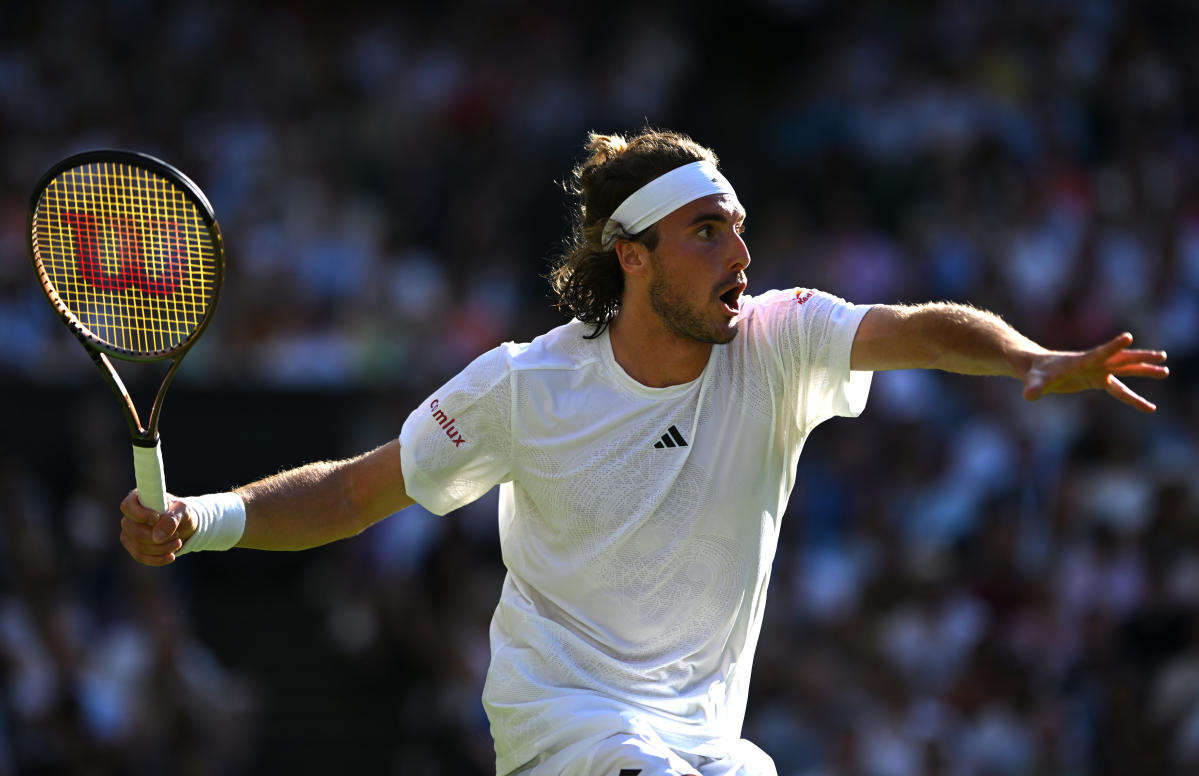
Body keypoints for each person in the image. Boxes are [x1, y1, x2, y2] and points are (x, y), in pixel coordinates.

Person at [119, 128, 1168, 776]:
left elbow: (920, 328)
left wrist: (1026, 356)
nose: (742, 254)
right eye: (707, 230)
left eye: (740, 227)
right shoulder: (521, 385)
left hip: (706, 743)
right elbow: (352, 492)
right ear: (632, 256)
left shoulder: (780, 337)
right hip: (564, 727)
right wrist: (202, 518)